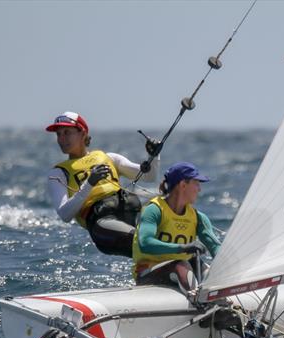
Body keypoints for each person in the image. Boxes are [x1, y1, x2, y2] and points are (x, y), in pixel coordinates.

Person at [45, 111, 159, 257]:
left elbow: (149, 176)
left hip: (130, 214)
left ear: (83, 133)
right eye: (58, 134)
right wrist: (89, 184)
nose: (61, 139)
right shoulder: (58, 173)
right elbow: (65, 214)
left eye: (67, 132)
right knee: (145, 242)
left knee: (167, 238)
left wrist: (154, 156)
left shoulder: (109, 158)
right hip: (103, 226)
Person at [132, 162, 221, 299]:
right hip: (148, 273)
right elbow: (145, 243)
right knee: (181, 264)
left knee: (204, 268)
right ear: (183, 185)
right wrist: (182, 248)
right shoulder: (154, 210)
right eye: (196, 183)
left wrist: (229, 265)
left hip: (183, 270)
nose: (199, 189)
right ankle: (197, 301)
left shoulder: (198, 217)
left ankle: (220, 303)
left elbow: (215, 246)